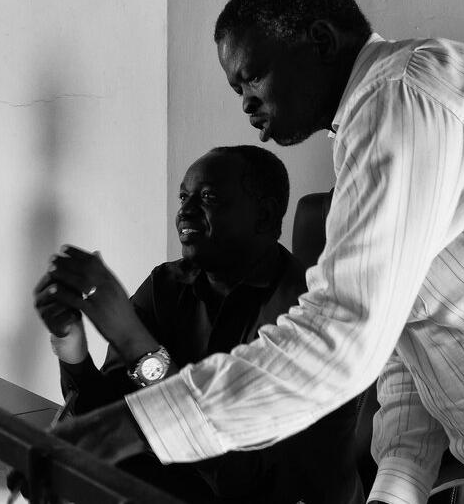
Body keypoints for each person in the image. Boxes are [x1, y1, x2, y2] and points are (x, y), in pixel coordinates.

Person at [42, 0, 464, 504]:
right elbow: (408, 343)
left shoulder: (402, 98)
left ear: (320, 41)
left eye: (253, 77)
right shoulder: (169, 283)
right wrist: (398, 483)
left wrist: (116, 424)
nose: (247, 102)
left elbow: (341, 341)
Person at [34, 146, 362, 503]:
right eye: (183, 196)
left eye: (208, 197)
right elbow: (106, 413)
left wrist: (134, 342)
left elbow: (242, 480)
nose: (185, 211)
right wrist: (71, 345)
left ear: (265, 217)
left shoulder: (306, 312)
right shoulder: (166, 284)